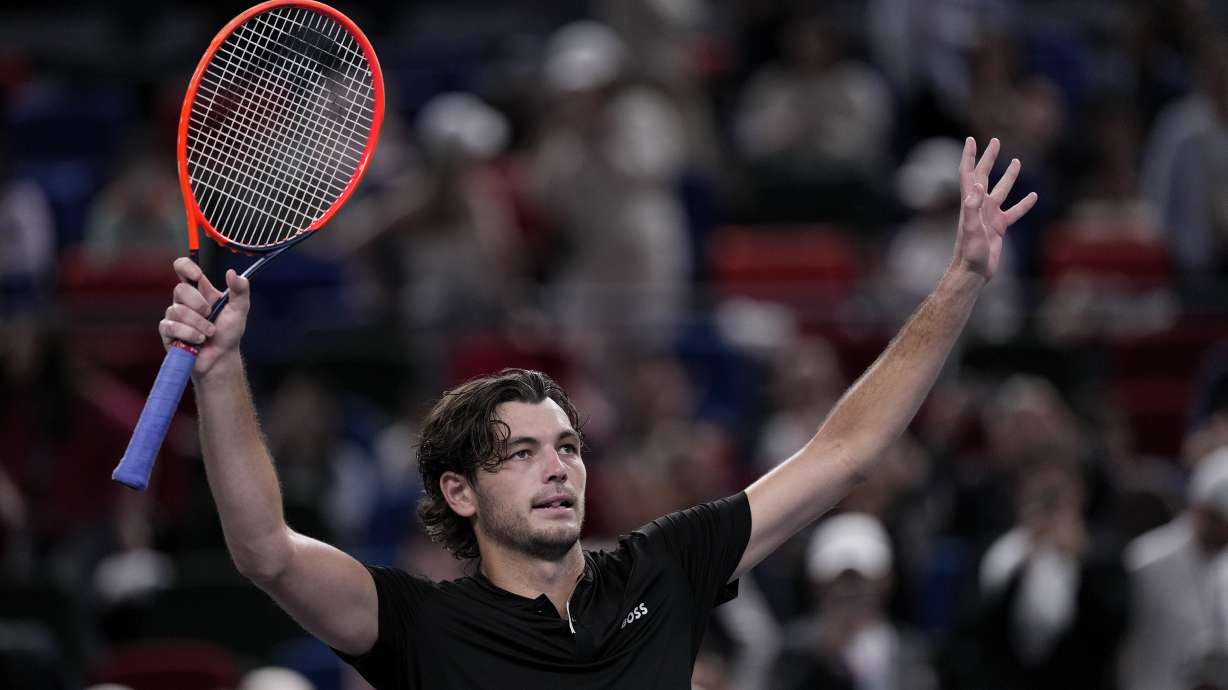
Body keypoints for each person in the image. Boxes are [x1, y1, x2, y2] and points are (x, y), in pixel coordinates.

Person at [153, 137, 1036, 688]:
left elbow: (845, 450)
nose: (559, 466)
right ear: (459, 492)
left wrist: (959, 281)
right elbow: (265, 550)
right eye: (523, 452)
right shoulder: (417, 626)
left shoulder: (664, 569)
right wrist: (221, 367)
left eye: (568, 445)